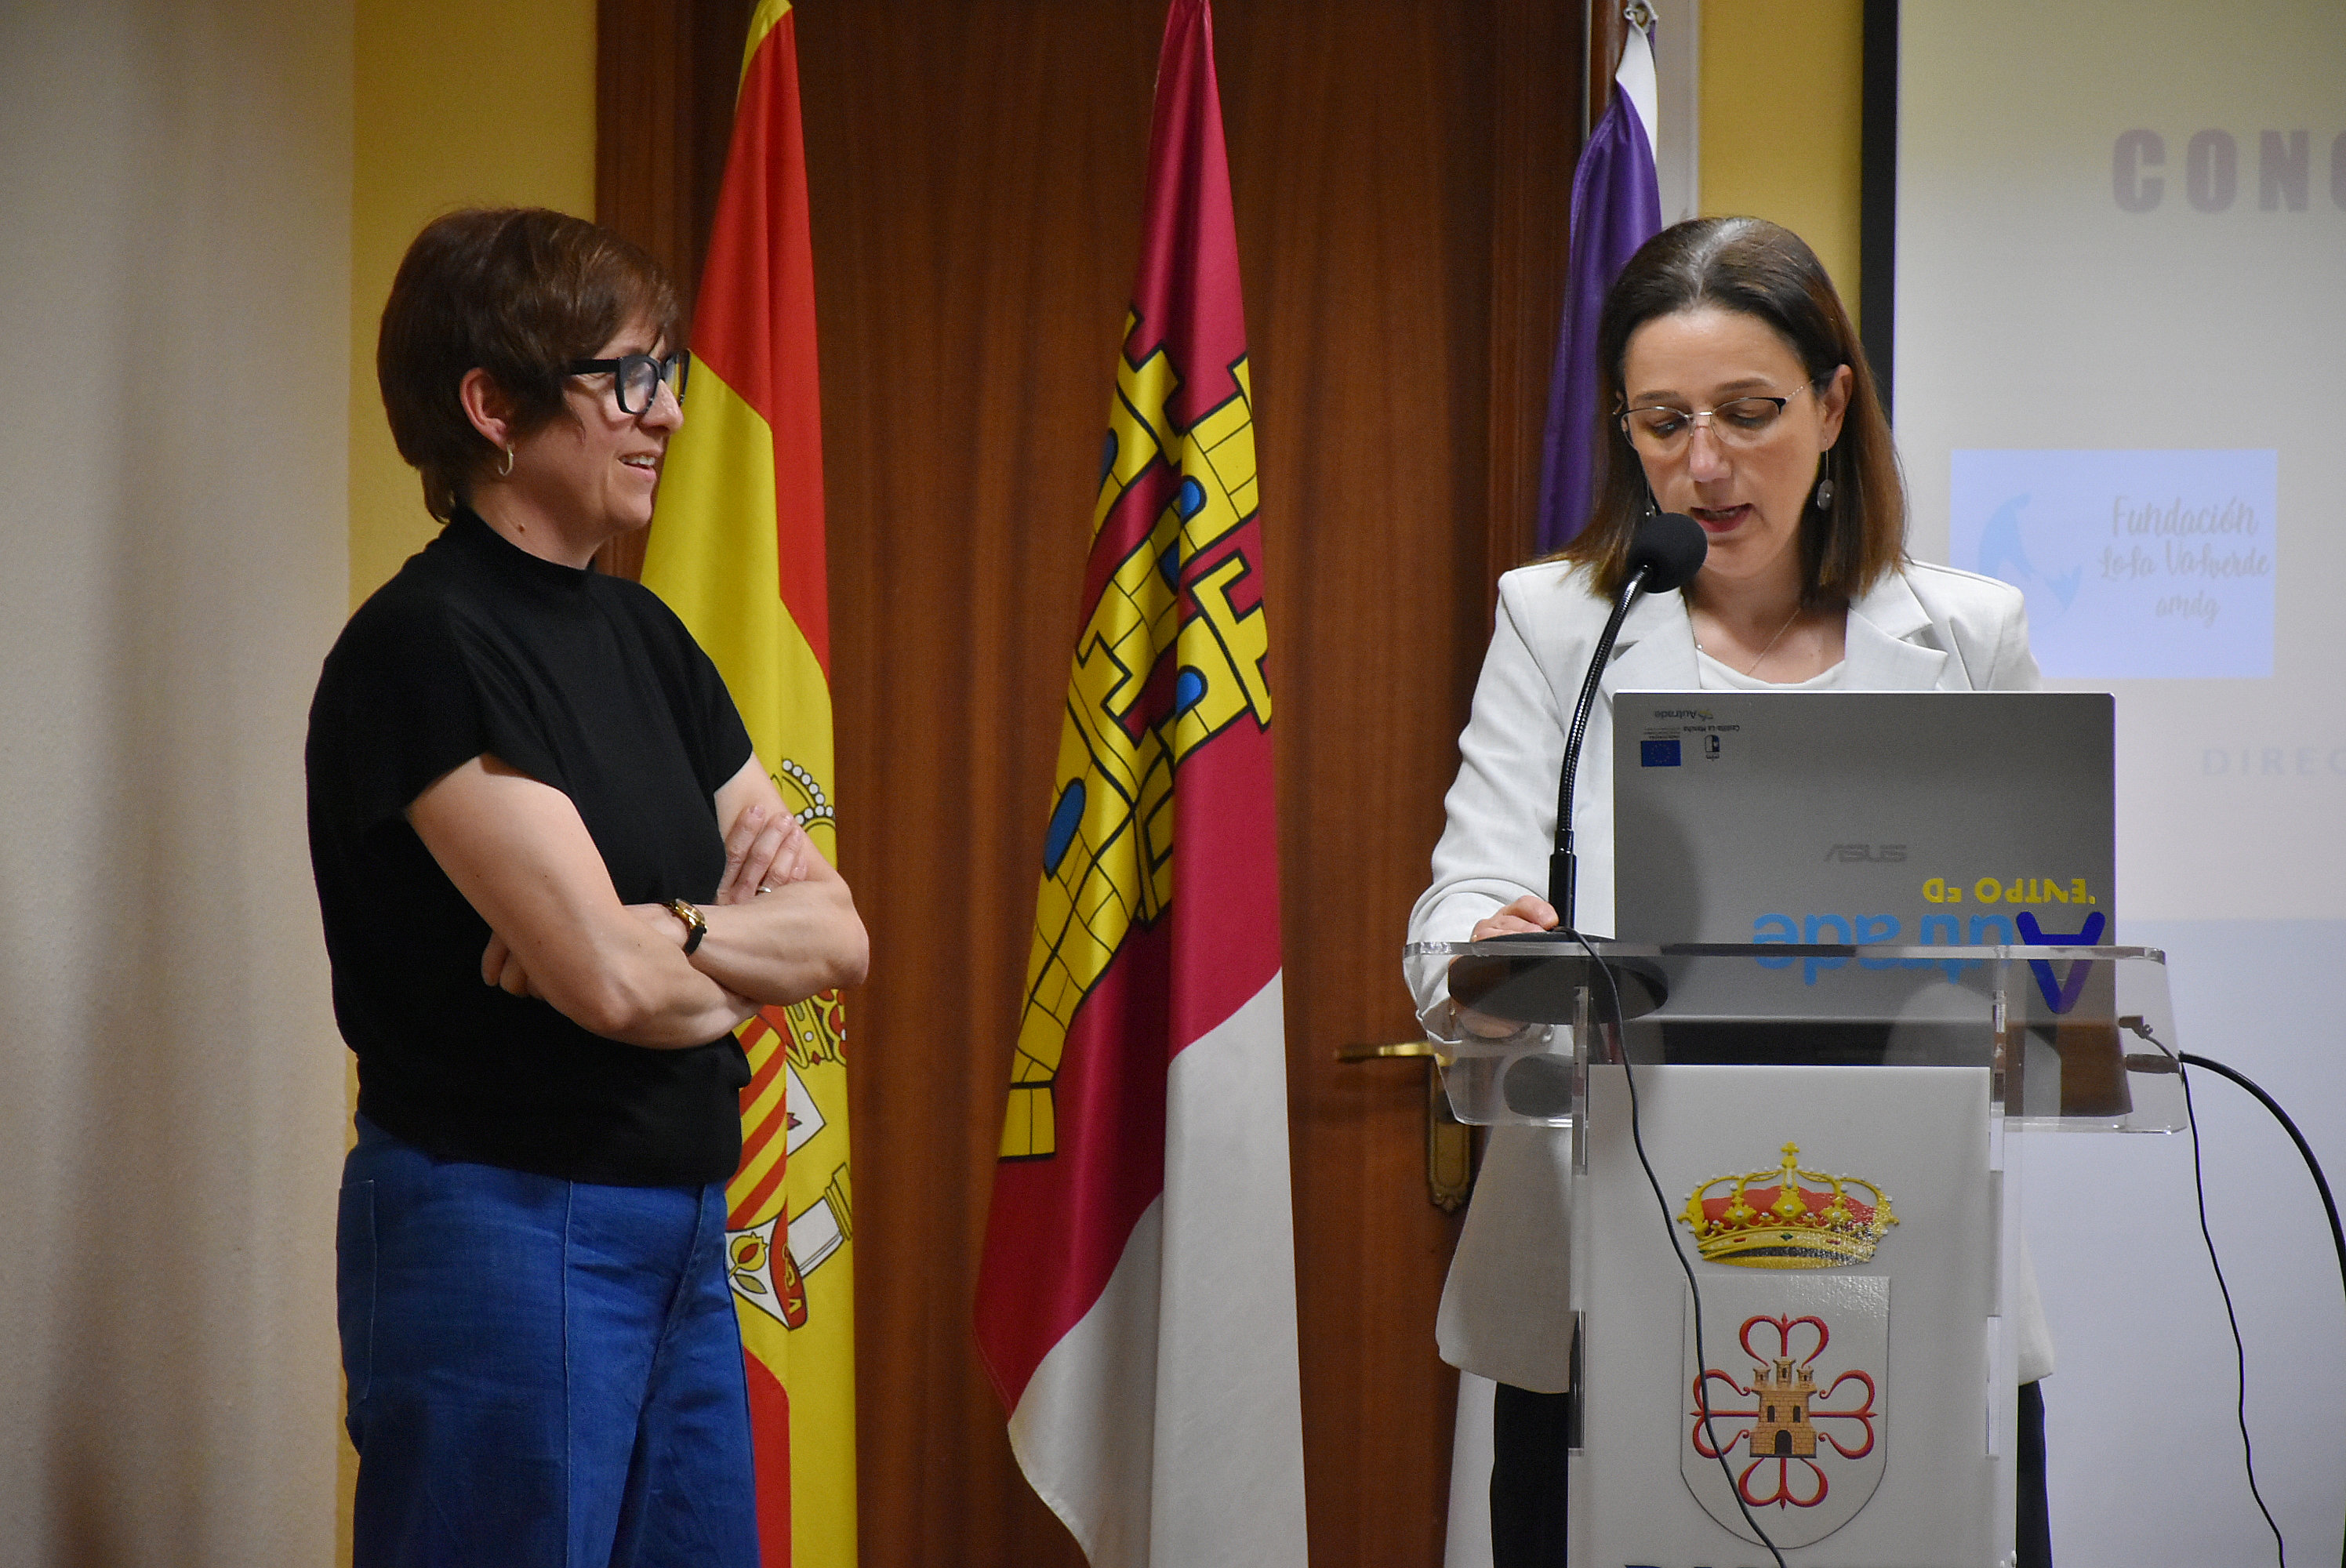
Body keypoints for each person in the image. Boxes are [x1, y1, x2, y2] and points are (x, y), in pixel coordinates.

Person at [1407, 216, 2053, 1567]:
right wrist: (1488, 949)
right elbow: (1462, 902)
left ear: (1831, 406)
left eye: (1749, 412)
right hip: (1599, 1270)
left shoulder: (1965, 632)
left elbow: (2040, 949)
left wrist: (2027, 967)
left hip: (1913, 1262)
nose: (1703, 464)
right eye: (1662, 421)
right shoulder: (1555, 623)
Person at [307, 207, 868, 1566]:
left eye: (664, 370)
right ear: (491, 404)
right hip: (499, 1223)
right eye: (623, 375)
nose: (665, 411)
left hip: (683, 1226)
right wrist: (700, 951)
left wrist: (667, 937)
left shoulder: (647, 636)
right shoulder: (424, 644)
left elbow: (841, 933)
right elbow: (612, 986)